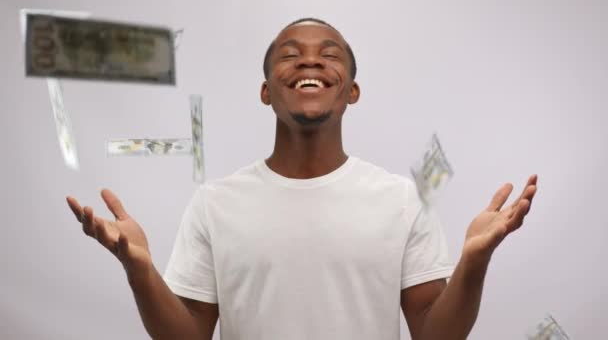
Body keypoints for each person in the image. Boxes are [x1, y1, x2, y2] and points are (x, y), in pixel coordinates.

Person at [66, 18, 538, 340]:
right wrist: (140, 271)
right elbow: (188, 335)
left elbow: (434, 334)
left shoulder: (401, 201)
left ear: (351, 90)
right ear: (266, 91)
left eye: (328, 55)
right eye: (291, 55)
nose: (310, 61)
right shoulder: (215, 204)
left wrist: (474, 263)